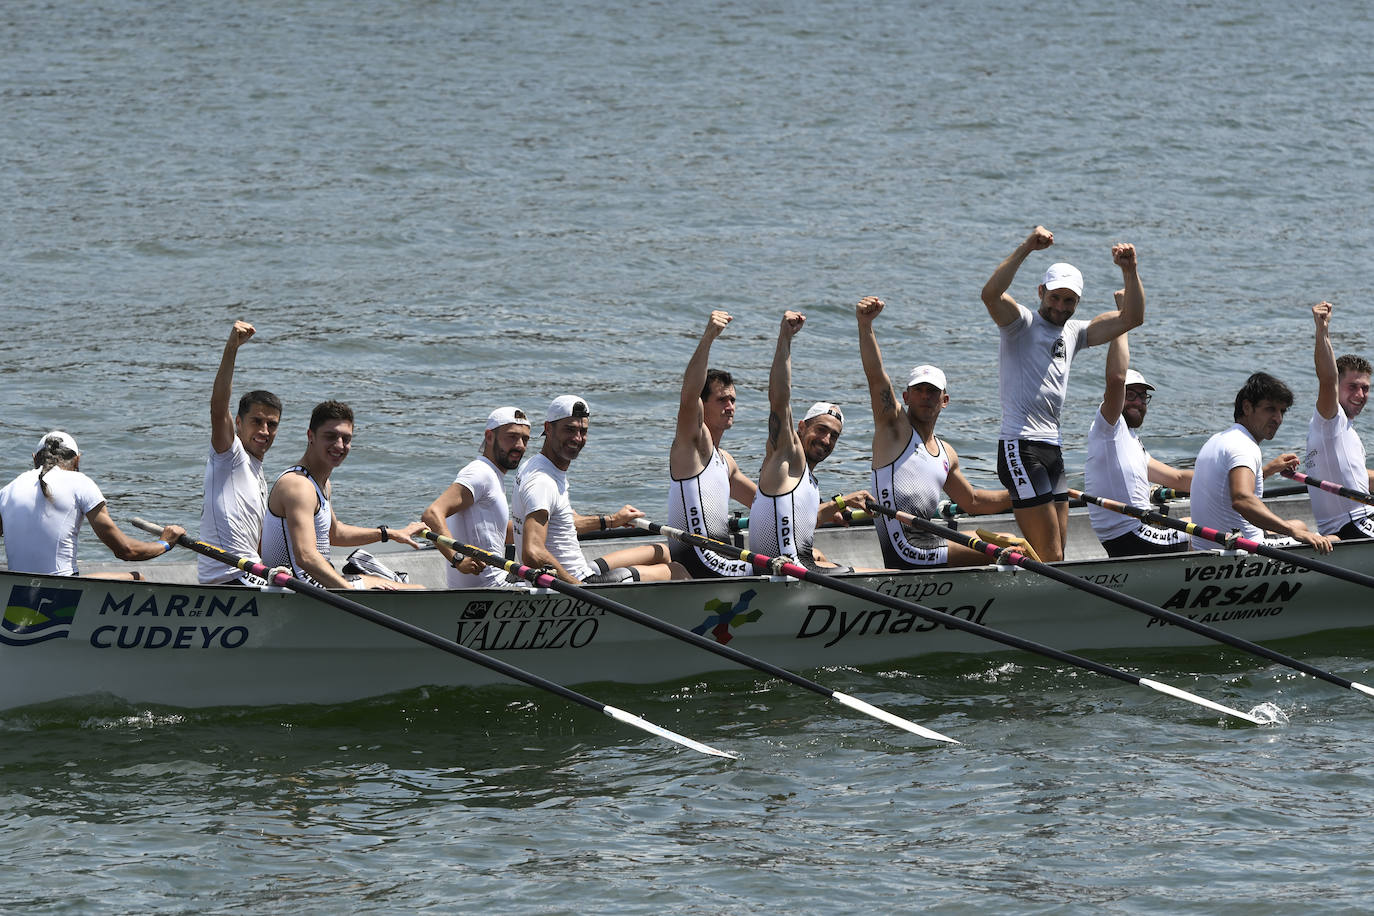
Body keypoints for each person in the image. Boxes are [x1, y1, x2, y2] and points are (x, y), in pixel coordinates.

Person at [980, 226, 1145, 561]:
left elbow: (1133, 318)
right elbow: (991, 295)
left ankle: (1010, 552)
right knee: (1051, 555)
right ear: (1041, 291)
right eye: (1054, 297)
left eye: (1069, 300)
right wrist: (1027, 246)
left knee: (1057, 554)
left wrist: (1130, 271)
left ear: (1077, 302)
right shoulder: (1020, 324)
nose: (1060, 305)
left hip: (1052, 450)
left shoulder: (1075, 332)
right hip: (1020, 447)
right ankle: (1012, 562)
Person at [855, 296, 1011, 568]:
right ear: (906, 396)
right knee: (1006, 544)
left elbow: (972, 501)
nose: (925, 397)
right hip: (905, 547)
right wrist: (865, 325)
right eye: (918, 390)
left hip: (928, 538)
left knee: (1006, 540)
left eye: (932, 392)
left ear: (944, 400)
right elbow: (876, 376)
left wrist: (1023, 495)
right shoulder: (894, 431)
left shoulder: (946, 452)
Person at [513, 395, 685, 584]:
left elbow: (566, 523)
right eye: (569, 430)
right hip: (581, 584)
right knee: (677, 571)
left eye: (582, 431)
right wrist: (576, 586)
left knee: (660, 551)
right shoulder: (542, 482)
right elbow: (532, 552)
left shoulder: (537, 465)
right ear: (548, 428)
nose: (577, 438)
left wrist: (612, 520)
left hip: (579, 570)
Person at [749, 311, 871, 573]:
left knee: (821, 555)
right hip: (786, 575)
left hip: (800, 569)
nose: (826, 440)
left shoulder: (806, 479)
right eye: (821, 430)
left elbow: (804, 518)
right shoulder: (787, 456)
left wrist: (841, 503)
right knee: (888, 576)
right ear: (801, 427)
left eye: (834, 436)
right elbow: (779, 399)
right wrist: (785, 338)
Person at [259, 401, 425, 589]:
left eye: (346, 439)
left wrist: (390, 534)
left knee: (396, 580)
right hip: (300, 588)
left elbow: (335, 534)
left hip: (317, 582)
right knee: (418, 590)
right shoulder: (298, 486)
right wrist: (349, 593)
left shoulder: (321, 483)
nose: (339, 445)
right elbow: (305, 557)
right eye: (330, 436)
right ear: (310, 436)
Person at [0, 431, 184, 578]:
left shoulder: (7, 490)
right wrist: (165, 542)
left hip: (20, 590)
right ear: (77, 460)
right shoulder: (79, 482)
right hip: (62, 592)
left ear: (34, 458)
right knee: (138, 578)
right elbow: (126, 551)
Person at [1190, 373, 1333, 553]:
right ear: (1247, 407)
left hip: (1205, 546)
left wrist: (1269, 469)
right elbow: (1242, 499)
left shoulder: (1219, 439)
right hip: (1239, 550)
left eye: (1282, 411)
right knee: (1333, 538)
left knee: (1300, 524)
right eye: (1270, 409)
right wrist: (1293, 533)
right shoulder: (1244, 447)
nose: (1278, 419)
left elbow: (1229, 487)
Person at [1083, 327, 1194, 556]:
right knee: (1211, 525)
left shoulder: (1131, 441)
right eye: (1130, 395)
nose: (1138, 402)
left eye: (1142, 396)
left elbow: (1178, 478)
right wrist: (1123, 322)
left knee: (1203, 518)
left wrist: (1235, 482)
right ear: (1117, 397)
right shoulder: (1108, 428)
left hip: (1140, 533)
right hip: (1133, 536)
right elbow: (1116, 378)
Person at [666, 310, 756, 578]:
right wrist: (708, 338)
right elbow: (688, 394)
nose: (730, 407)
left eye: (733, 400)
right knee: (788, 569)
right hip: (699, 558)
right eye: (721, 400)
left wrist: (831, 508)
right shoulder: (693, 444)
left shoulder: (726, 462)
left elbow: (765, 502)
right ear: (702, 406)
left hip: (721, 556)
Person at [198, 321, 283, 585]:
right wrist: (232, 347)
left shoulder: (259, 474)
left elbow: (257, 543)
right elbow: (217, 406)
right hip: (228, 577)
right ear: (238, 423)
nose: (265, 430)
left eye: (272, 424)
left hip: (250, 572)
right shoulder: (230, 455)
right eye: (257, 421)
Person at [422, 406, 531, 588]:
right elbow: (432, 514)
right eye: (512, 437)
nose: (520, 445)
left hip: (493, 582)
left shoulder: (493, 476)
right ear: (489, 437)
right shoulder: (480, 473)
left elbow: (497, 531)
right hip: (491, 587)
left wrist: (552, 527)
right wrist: (457, 558)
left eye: (525, 439)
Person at [1305, 301, 1374, 539]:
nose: (1360, 395)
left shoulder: (1344, 432)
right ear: (1337, 388)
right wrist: (1322, 330)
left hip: (1348, 526)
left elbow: (1357, 475)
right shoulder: (1330, 420)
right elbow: (1327, 378)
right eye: (1352, 387)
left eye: (1365, 388)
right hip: (1355, 524)